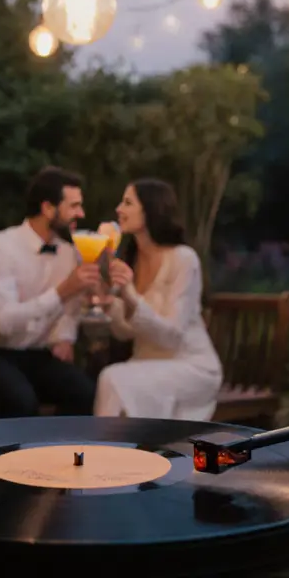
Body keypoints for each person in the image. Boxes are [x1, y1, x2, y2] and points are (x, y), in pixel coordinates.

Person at [0, 166, 102, 417]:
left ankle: (63, 453)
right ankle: (11, 456)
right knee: (22, 402)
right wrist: (61, 292)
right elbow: (4, 323)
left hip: (41, 355)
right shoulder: (0, 248)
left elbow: (71, 311)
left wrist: (65, 336)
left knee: (87, 394)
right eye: (73, 206)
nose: (81, 214)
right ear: (48, 208)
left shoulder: (69, 252)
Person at [94, 178, 223, 420]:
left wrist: (131, 296)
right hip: (144, 363)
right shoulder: (130, 259)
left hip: (191, 366)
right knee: (114, 379)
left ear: (151, 209)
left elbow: (172, 337)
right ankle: (118, 453)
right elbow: (125, 332)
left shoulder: (183, 259)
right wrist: (110, 303)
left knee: (112, 378)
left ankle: (108, 452)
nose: (119, 209)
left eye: (128, 203)